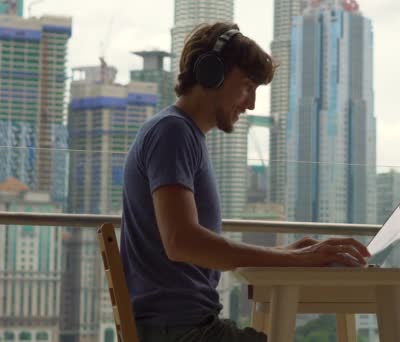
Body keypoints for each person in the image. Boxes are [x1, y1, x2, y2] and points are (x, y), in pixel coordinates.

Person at [119, 22, 370, 342]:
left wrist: (285, 254)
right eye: (247, 85)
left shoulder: (182, 135)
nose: (250, 104)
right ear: (212, 74)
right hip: (183, 332)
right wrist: (292, 259)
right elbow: (182, 242)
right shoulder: (172, 133)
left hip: (184, 328)